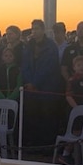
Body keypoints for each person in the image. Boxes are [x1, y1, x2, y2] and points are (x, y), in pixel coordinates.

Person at [21, 19, 62, 147]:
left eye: (37, 28)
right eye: (33, 29)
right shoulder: (29, 46)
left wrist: (35, 83)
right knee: (33, 118)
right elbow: (25, 64)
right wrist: (28, 81)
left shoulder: (51, 46)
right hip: (31, 90)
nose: (34, 31)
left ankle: (46, 146)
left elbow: (49, 67)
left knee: (47, 118)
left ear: (43, 30)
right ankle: (33, 144)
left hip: (46, 88)